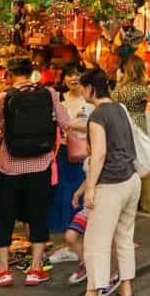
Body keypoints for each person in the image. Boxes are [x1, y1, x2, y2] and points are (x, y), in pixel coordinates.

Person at [0, 57, 71, 286]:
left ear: (9, 74)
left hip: (9, 165)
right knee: (38, 214)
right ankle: (36, 270)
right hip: (41, 164)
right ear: (31, 72)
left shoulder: (0, 99)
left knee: (4, 216)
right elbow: (65, 124)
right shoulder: (50, 94)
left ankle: (4, 271)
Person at [80, 68, 141, 296]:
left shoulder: (97, 115)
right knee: (124, 237)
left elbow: (99, 153)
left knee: (97, 242)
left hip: (111, 184)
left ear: (90, 89)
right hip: (131, 180)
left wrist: (90, 188)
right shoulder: (119, 109)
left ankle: (93, 291)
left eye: (83, 87)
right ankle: (126, 288)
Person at [51, 64, 93, 235]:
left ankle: (80, 225)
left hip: (84, 149)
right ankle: (64, 225)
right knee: (63, 186)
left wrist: (74, 126)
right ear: (64, 79)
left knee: (80, 184)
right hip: (63, 149)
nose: (73, 78)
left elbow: (94, 125)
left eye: (77, 74)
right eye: (69, 75)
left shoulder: (89, 100)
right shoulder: (59, 99)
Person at [112, 55, 150, 137]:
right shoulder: (141, 90)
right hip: (135, 131)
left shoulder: (118, 87)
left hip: (118, 128)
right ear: (141, 70)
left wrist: (147, 83)